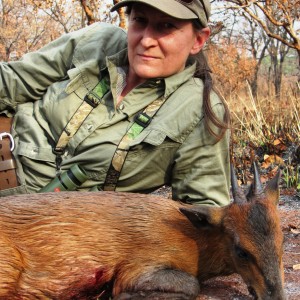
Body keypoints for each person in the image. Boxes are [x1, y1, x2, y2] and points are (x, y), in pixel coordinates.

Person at [0, 0, 231, 206]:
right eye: (140, 20)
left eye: (166, 26)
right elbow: (12, 82)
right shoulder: (97, 41)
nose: (147, 40)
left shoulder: (200, 110)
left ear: (198, 40)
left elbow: (205, 219)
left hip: (40, 231)